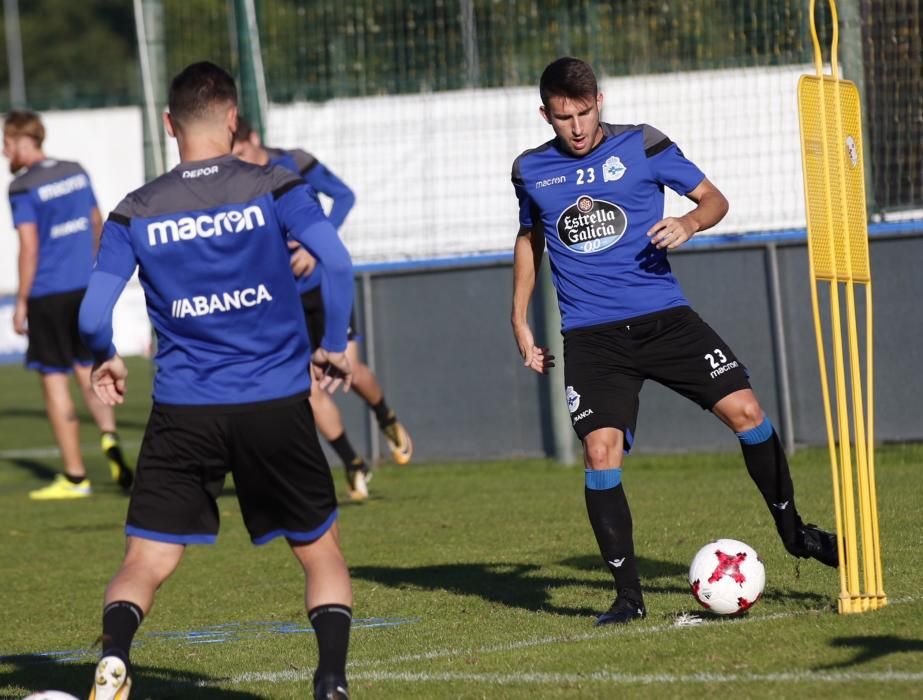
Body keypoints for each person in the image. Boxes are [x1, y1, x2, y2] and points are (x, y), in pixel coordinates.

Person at [510, 57, 838, 626]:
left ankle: (796, 535)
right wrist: (518, 320)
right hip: (591, 337)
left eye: (585, 113)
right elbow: (530, 238)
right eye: (564, 118)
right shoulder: (530, 169)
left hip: (666, 319)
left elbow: (714, 199)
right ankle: (628, 598)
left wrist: (689, 223)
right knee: (599, 452)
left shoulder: (645, 144)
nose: (578, 128)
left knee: (748, 412)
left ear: (600, 102)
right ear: (546, 114)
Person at [79, 62, 355, 699]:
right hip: (275, 403)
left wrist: (106, 355)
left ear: (169, 124)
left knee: (145, 561)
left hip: (184, 411)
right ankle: (332, 681)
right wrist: (333, 346)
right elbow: (336, 262)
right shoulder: (275, 184)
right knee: (320, 551)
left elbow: (93, 313)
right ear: (233, 119)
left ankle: (114, 656)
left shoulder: (135, 210)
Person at [232, 118, 413, 501]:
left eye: (242, 153)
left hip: (324, 290)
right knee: (309, 388)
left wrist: (317, 245)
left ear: (254, 139)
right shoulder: (238, 186)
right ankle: (352, 463)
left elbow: (344, 196)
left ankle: (385, 417)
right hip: (285, 299)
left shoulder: (296, 162)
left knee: (352, 370)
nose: (239, 161)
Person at [3, 110, 133, 499]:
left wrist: (22, 299)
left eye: (6, 142)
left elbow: (29, 245)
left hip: (47, 292)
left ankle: (76, 476)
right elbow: (98, 221)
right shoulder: (76, 171)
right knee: (89, 370)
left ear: (24, 141)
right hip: (84, 287)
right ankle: (109, 436)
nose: (4, 150)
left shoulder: (23, 187)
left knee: (54, 381)